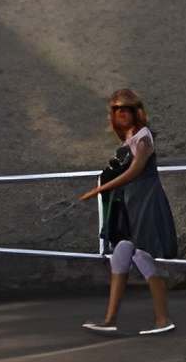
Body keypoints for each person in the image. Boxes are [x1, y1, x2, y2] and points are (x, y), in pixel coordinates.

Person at [74, 88, 179, 335]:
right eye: (116, 109)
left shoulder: (143, 136)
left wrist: (100, 189)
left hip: (145, 203)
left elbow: (135, 170)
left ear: (135, 111)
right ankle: (110, 319)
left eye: (125, 109)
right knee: (120, 255)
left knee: (143, 256)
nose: (120, 113)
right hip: (129, 206)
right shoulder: (129, 139)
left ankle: (163, 320)